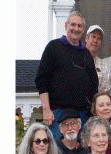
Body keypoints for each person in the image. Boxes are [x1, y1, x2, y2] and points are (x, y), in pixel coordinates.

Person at [35, 11, 99, 139]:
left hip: (82, 116)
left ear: (83, 29)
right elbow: (41, 80)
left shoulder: (86, 54)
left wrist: (91, 114)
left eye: (79, 26)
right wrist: (46, 110)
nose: (76, 29)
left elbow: (94, 86)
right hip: (58, 114)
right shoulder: (53, 47)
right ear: (66, 26)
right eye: (73, 25)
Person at [85, 25, 111, 97]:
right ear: (86, 38)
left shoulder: (104, 66)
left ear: (101, 44)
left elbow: (105, 92)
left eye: (99, 38)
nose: (95, 41)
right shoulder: (76, 60)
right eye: (93, 37)